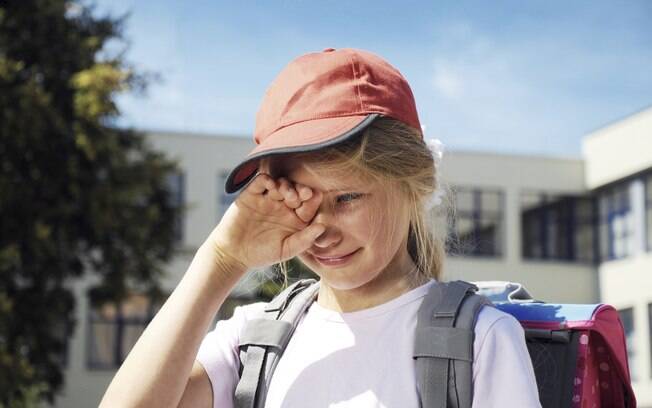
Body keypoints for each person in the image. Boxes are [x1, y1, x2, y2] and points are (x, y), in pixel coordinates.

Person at [99, 48, 541, 408]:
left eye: (346, 198)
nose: (322, 232)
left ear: (413, 185)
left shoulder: (480, 341)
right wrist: (222, 260)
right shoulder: (253, 341)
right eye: (300, 200)